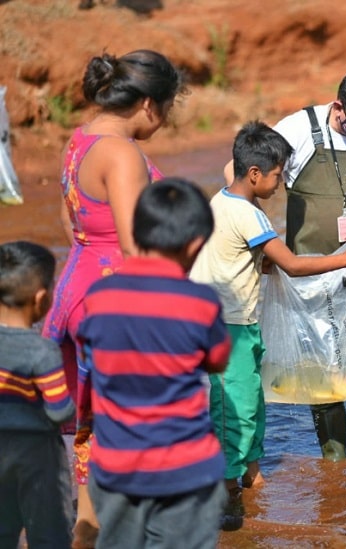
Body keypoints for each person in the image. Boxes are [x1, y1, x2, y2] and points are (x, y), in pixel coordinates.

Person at [191, 120, 346, 530]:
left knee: (252, 402)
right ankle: (228, 492)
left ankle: (252, 475)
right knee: (233, 409)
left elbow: (246, 258)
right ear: (255, 174)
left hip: (236, 323)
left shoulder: (223, 202)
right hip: (225, 328)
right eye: (279, 176)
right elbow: (293, 265)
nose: (281, 185)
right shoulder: (247, 214)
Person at [225, 67, 346, 462]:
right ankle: (335, 467)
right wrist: (261, 238)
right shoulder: (299, 128)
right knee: (325, 378)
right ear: (338, 108)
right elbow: (238, 174)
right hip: (312, 278)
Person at [40, 48, 185, 547]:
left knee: (92, 427)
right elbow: (133, 243)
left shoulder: (80, 139)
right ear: (148, 104)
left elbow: (70, 221)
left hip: (79, 290)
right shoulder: (122, 154)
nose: (164, 122)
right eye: (166, 109)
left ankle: (88, 529)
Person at [76, 178, 232, 548]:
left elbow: (90, 357)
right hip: (185, 470)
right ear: (195, 245)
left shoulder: (98, 296)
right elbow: (218, 359)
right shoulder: (201, 302)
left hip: (115, 467)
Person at [0, 241, 75, 549]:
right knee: (49, 531)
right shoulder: (42, 351)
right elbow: (59, 410)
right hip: (37, 454)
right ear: (42, 298)